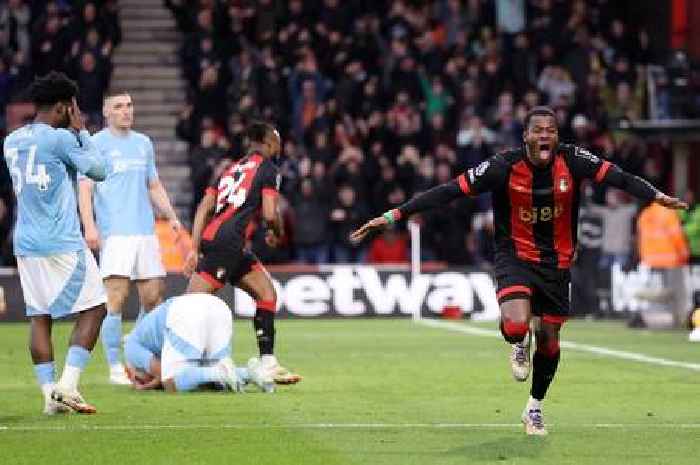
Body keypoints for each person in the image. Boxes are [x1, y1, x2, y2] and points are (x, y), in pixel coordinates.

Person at [351, 106, 687, 435]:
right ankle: (517, 341)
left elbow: (621, 178)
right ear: (525, 136)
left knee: (550, 342)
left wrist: (656, 195)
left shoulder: (573, 160)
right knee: (515, 325)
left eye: (551, 131)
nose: (545, 135)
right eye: (538, 130)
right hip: (514, 256)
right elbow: (449, 191)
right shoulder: (502, 167)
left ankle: (534, 407)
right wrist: (394, 215)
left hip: (556, 263)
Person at [2, 71, 111, 415]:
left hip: (26, 241)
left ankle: (50, 397)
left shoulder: (12, 141)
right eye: (73, 108)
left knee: (40, 316)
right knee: (96, 307)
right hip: (61, 240)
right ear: (64, 107)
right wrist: (82, 133)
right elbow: (98, 170)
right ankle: (68, 385)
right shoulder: (60, 139)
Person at [184, 121, 301, 385]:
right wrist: (277, 231)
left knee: (266, 293)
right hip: (227, 243)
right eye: (278, 142)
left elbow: (204, 207)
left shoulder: (229, 168)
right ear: (269, 142)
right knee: (189, 307)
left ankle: (268, 362)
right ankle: (172, 365)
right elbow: (271, 213)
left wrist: (193, 247)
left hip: (226, 243)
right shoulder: (268, 168)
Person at [78, 91, 182, 385]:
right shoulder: (95, 144)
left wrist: (171, 216)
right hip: (115, 233)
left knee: (153, 298)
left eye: (129, 105)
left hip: (145, 231)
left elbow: (153, 184)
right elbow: (85, 188)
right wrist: (90, 226)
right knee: (116, 297)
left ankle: (134, 350)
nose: (126, 111)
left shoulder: (143, 143)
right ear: (107, 112)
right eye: (119, 107)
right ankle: (114, 366)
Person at [124, 293, 274, 393]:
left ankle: (220, 371)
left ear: (132, 372)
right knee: (215, 382)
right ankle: (252, 373)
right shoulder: (144, 335)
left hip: (186, 312)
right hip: (218, 306)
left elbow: (163, 374)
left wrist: (148, 386)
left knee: (172, 382)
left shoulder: (130, 347)